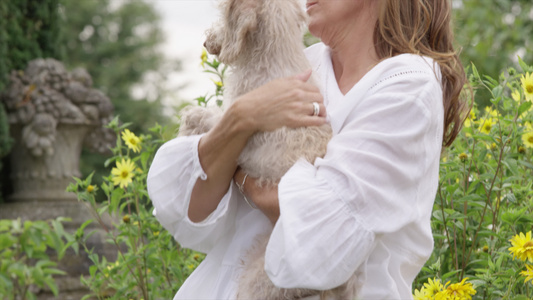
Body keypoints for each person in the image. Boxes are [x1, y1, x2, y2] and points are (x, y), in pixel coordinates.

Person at [147, 0, 467, 298]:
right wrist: (242, 117)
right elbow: (191, 206)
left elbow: (324, 239)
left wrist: (239, 169)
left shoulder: (408, 85)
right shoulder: (300, 63)